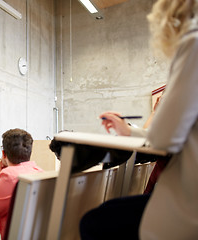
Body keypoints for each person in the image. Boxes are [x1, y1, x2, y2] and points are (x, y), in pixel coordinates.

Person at [81, 0, 198, 239]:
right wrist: (128, 130)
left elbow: (165, 138)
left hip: (186, 206)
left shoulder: (193, 44)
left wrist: (153, 117)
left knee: (94, 222)